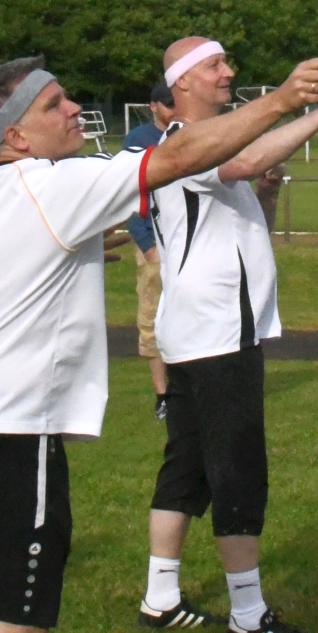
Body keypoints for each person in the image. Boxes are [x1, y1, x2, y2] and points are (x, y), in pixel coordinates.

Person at [0, 52, 318, 633]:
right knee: (18, 632)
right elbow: (177, 157)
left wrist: (83, 247)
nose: (75, 109)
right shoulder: (55, 184)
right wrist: (283, 100)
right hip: (8, 439)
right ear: (16, 136)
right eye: (54, 104)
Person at [138, 38, 318, 633]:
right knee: (238, 472)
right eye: (215, 65)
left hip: (195, 329)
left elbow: (238, 196)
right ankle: (248, 614)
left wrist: (265, 191)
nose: (228, 72)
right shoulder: (193, 142)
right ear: (183, 82)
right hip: (217, 333)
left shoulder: (202, 145)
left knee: (185, 466)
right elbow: (243, 160)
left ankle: (160, 598)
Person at [122, 81, 177, 419]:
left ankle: (187, 387)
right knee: (152, 318)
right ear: (153, 106)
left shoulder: (189, 133)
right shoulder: (139, 140)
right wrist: (147, 245)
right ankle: (163, 394)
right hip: (154, 243)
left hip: (187, 241)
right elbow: (130, 194)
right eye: (168, 104)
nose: (174, 109)